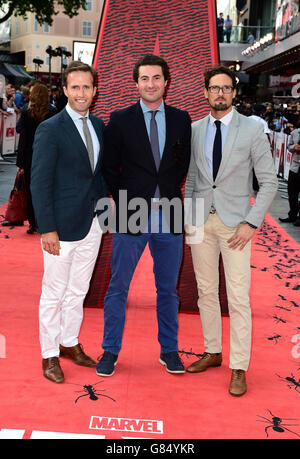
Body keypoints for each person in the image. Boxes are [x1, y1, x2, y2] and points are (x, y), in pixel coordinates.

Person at [184, 65, 278, 396]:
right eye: (214, 88)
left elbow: (268, 181)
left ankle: (239, 366)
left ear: (234, 92)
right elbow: (194, 179)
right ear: (206, 92)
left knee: (238, 298)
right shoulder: (195, 129)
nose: (220, 93)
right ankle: (213, 351)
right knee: (206, 292)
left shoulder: (252, 129)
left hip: (237, 225)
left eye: (226, 88)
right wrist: (188, 216)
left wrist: (251, 222)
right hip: (200, 223)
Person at [96, 54, 191, 377]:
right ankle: (110, 351)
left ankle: (169, 350)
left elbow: (181, 163)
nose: (151, 84)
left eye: (156, 78)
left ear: (166, 82)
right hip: (130, 213)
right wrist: (132, 198)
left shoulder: (181, 119)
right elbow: (109, 167)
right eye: (144, 79)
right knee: (118, 286)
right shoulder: (120, 119)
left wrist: (164, 194)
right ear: (136, 83)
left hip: (171, 213)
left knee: (167, 289)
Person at [31, 61, 107, 383]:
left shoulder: (98, 126)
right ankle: (49, 354)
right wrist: (47, 227)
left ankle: (69, 342)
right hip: (60, 228)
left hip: (92, 224)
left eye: (86, 87)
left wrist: (105, 214)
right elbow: (39, 181)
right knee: (54, 291)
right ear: (64, 90)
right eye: (74, 87)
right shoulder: (50, 128)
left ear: (94, 90)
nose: (81, 93)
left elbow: (97, 175)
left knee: (79, 289)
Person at [16, 83, 57, 234]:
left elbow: (21, 134)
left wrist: (19, 162)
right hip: (48, 155)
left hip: (29, 156)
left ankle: (33, 223)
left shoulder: (27, 111)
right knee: (48, 189)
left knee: (31, 190)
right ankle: (45, 221)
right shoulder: (52, 111)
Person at [279, 124, 300, 226]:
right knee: (292, 193)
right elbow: (289, 146)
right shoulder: (295, 132)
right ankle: (292, 215)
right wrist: (294, 147)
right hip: (295, 167)